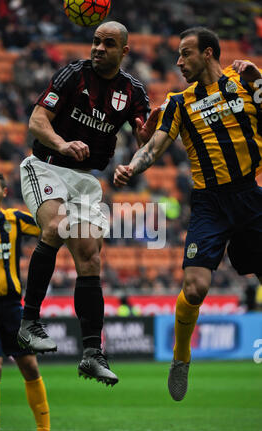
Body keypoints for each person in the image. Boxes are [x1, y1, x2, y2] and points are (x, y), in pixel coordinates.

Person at [114, 27, 262, 400]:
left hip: (249, 196)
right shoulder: (179, 102)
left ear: (209, 53)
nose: (178, 62)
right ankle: (181, 357)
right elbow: (156, 146)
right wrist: (132, 167)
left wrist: (260, 79)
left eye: (186, 54)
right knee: (195, 287)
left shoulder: (244, 81)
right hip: (209, 202)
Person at [17, 21, 160, 386]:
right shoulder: (72, 75)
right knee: (54, 226)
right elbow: (37, 121)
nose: (97, 48)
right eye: (95, 41)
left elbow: (143, 134)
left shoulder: (132, 91)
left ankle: (92, 352)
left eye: (107, 44)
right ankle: (29, 322)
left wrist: (144, 136)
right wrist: (62, 144)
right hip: (47, 165)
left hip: (85, 180)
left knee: (90, 257)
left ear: (124, 51)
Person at [0, 169, 66, 431]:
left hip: (11, 305)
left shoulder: (15, 219)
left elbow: (51, 228)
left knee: (30, 365)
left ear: (4, 192)